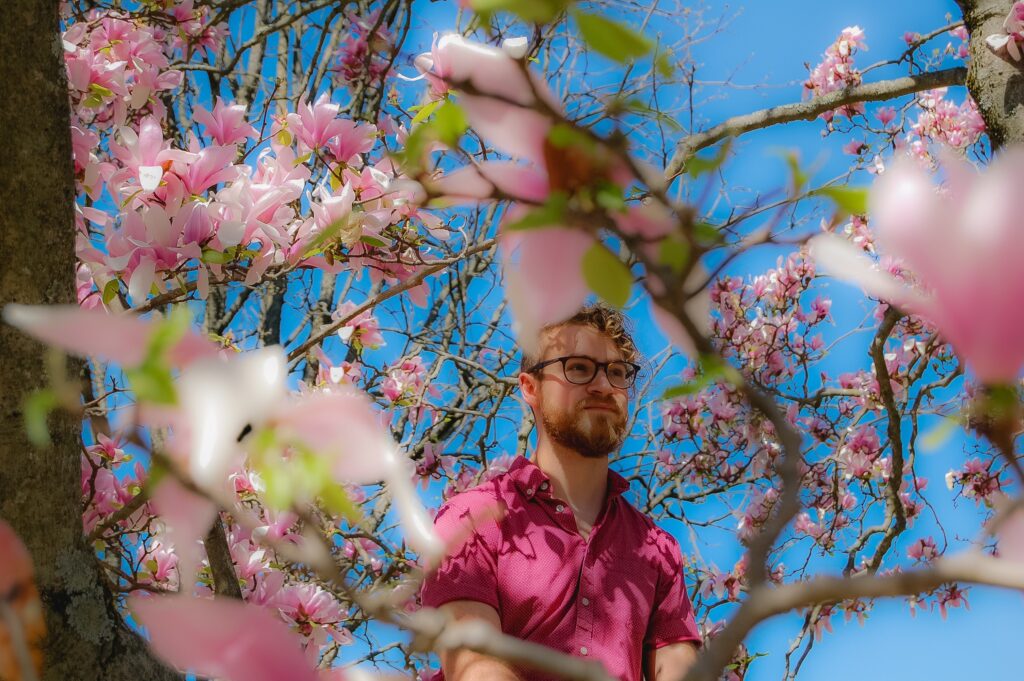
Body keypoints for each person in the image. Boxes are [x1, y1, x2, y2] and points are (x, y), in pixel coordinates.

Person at [420, 304, 702, 681]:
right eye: (579, 368)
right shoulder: (472, 519)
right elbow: (475, 668)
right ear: (530, 388)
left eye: (617, 373)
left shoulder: (657, 549)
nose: (604, 385)